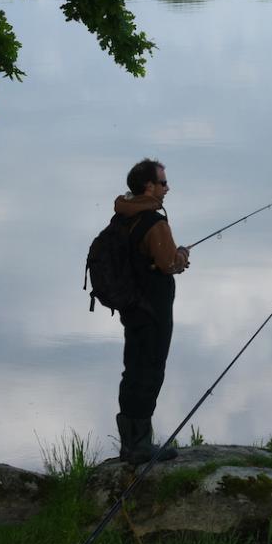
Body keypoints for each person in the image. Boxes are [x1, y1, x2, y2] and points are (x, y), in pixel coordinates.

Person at [114, 158, 190, 463]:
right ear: (149, 186)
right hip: (153, 310)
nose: (167, 188)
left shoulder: (122, 216)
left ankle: (129, 443)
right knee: (151, 371)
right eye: (163, 183)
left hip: (130, 307)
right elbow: (169, 263)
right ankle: (141, 445)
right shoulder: (155, 223)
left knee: (133, 370)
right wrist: (182, 255)